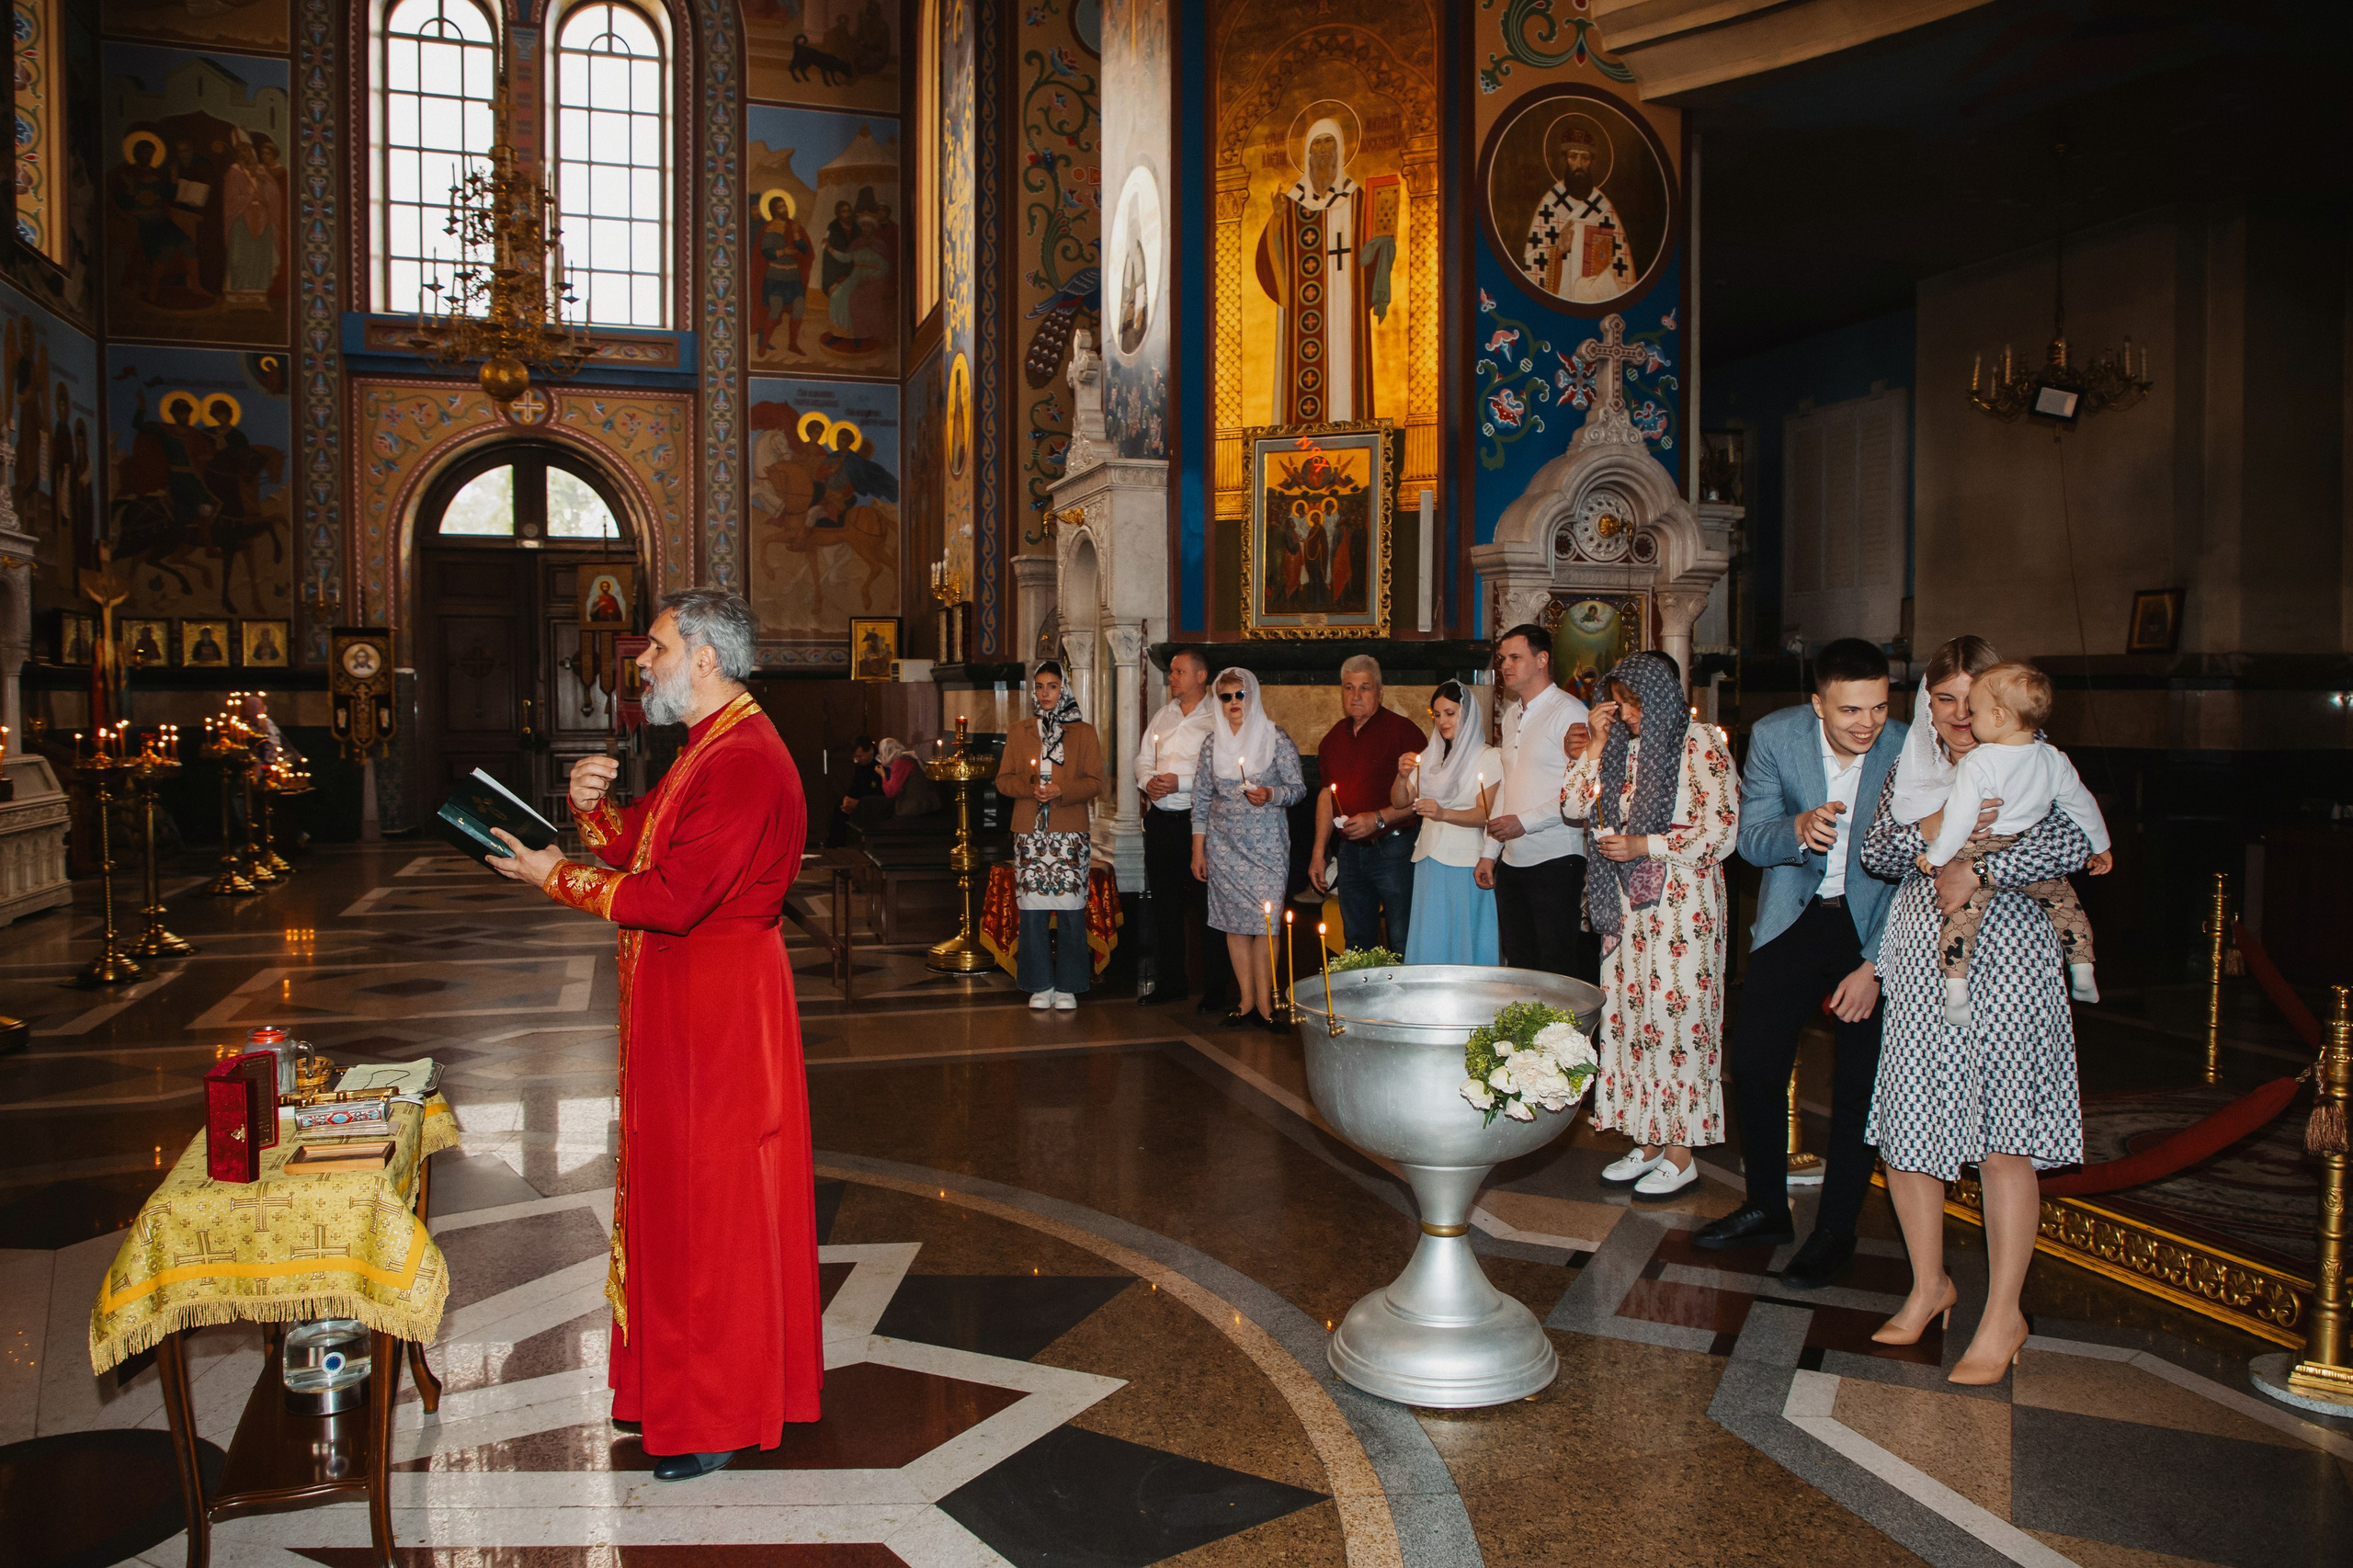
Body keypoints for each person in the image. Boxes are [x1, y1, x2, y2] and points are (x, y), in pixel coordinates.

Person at [489, 587, 823, 1480]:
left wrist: (558, 875)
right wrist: (590, 809)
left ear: (707, 658)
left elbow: (674, 897)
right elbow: (649, 848)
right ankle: (673, 1391)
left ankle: (713, 1414)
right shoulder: (707, 747)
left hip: (716, 1014)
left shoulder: (747, 759)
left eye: (660, 648)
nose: (644, 662)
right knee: (674, 1202)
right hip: (684, 1005)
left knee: (708, 1209)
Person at [1859, 635, 2093, 1385]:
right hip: (1922, 956)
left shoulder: (2039, 762)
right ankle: (1931, 1285)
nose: (1959, 716)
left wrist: (1973, 862)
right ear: (1929, 702)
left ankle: (2004, 1313)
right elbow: (1877, 850)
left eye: (1971, 699)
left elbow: (2072, 841)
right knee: (1912, 1119)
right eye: (1944, 700)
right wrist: (1932, 835)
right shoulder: (1913, 765)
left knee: (2004, 1131)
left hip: (2012, 957)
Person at [1692, 638, 1904, 1287]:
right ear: (1818, 704)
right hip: (1796, 912)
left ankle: (1836, 1227)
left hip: (1874, 927)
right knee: (1755, 1061)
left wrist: (1874, 966)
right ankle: (1765, 1205)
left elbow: (1918, 874)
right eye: (1849, 711)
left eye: (1877, 707)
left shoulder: (1907, 747)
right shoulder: (1778, 736)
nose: (1866, 723)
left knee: (1858, 1085)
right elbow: (1750, 843)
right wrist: (1796, 827)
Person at [1562, 652, 1738, 1197]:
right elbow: (1572, 807)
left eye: (1635, 702)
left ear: (1660, 695)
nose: (1628, 713)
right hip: (1626, 908)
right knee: (1631, 1020)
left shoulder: (1701, 743)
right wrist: (1593, 744)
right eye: (1619, 702)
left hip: (1683, 906)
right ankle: (1646, 1136)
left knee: (1677, 1019)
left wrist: (1646, 844)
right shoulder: (1617, 749)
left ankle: (1681, 1150)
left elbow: (1722, 832)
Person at [1910, 663, 2110, 1022]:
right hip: (2026, 849)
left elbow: (1959, 820)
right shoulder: (2054, 759)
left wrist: (1937, 855)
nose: (1967, 719)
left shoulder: (1980, 762)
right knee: (2066, 905)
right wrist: (2102, 845)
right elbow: (2083, 804)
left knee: (1961, 916)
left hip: (1983, 848)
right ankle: (2082, 970)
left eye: (1973, 711)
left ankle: (1956, 988)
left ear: (1998, 715)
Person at [1191, 668, 1305, 1030]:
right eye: (1226, 697)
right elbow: (1200, 800)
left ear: (1252, 697)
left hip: (1268, 845)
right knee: (1235, 925)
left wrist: (1270, 795)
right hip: (1224, 845)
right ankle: (1245, 1001)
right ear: (1218, 702)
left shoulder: (1276, 738)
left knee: (1267, 924)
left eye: (1240, 695)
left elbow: (1298, 788)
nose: (1234, 703)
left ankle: (1268, 1004)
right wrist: (1199, 850)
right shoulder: (1211, 744)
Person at [1478, 623, 1593, 978]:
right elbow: (1509, 785)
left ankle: (1562, 1035)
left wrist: (1523, 823)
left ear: (1542, 659)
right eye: (1502, 659)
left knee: (1556, 965)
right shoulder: (1513, 714)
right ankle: (1526, 1035)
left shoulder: (1570, 712)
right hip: (1513, 861)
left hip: (1557, 857)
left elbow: (1578, 792)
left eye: (1515, 657)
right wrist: (1488, 853)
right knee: (1520, 962)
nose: (1505, 666)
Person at [995, 661, 1103, 1011]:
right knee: (1033, 911)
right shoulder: (1019, 730)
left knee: (1070, 909)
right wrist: (1030, 788)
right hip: (1030, 832)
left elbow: (1095, 782)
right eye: (1040, 686)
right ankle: (1039, 983)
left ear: (1064, 689)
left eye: (1052, 686)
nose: (1045, 693)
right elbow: (1003, 780)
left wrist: (1061, 790)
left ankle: (1069, 985)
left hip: (1069, 832)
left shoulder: (1084, 732)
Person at [1309, 655, 1425, 954]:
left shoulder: (1403, 732)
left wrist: (1379, 818)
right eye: (1349, 688)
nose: (1356, 696)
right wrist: (1318, 853)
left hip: (1395, 850)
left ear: (1380, 691)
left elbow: (1424, 797)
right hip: (1348, 853)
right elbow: (1325, 797)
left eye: (1365, 687)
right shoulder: (1333, 738)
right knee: (1356, 943)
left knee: (1403, 939)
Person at [1392, 681, 1501, 966]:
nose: (1442, 721)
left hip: (1465, 861)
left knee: (1463, 937)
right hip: (1428, 858)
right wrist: (1402, 777)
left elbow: (1485, 814)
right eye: (1437, 714)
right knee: (1431, 937)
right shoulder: (1429, 757)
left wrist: (1443, 814)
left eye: (1450, 713)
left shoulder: (1488, 757)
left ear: (1467, 713)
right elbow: (1400, 802)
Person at [1136, 648, 1220, 1007]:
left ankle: (1215, 989)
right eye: (1170, 672)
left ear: (1201, 676)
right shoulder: (1163, 715)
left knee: (1205, 906)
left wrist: (1179, 783)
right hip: (1160, 822)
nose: (1171, 677)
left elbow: (1219, 769)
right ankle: (1171, 981)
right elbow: (1142, 758)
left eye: (1178, 671)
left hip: (1196, 824)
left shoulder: (1217, 716)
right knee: (1164, 905)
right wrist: (1147, 782)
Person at [826, 736, 882, 846]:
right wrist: (847, 799)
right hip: (860, 801)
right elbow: (855, 785)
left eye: (860, 756)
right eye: (855, 756)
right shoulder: (859, 766)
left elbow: (879, 793)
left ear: (870, 750)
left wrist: (859, 803)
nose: (857, 759)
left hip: (873, 804)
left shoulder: (880, 765)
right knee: (840, 808)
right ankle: (834, 848)